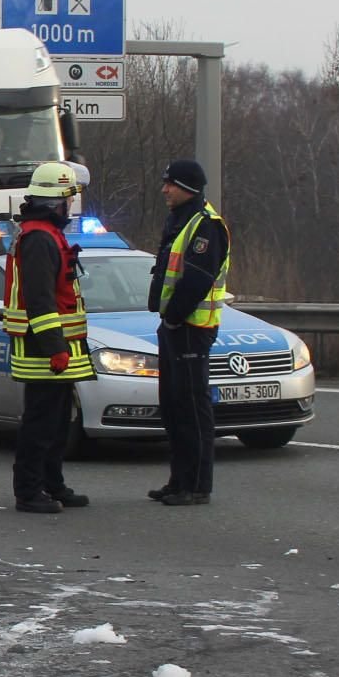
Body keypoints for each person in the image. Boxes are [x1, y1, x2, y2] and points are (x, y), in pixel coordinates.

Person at [4, 162, 96, 513]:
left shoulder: (43, 235)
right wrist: (56, 348)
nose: (70, 207)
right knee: (40, 425)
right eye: (68, 200)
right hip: (42, 350)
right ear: (57, 201)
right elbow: (40, 300)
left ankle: (52, 484)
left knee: (57, 422)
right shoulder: (39, 239)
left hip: (54, 349)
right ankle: (28, 491)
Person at [146, 159, 230, 507]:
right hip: (174, 326)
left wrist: (176, 317)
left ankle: (196, 485)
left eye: (171, 184)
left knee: (193, 408)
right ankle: (178, 479)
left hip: (192, 328)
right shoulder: (181, 219)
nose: (165, 189)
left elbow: (197, 279)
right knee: (173, 405)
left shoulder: (205, 226)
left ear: (189, 188)